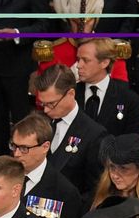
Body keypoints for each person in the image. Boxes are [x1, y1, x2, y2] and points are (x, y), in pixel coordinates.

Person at [0, 0, 53, 160]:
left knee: (20, 117)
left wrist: (17, 33)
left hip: (17, 64)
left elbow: (43, 25)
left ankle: (21, 161)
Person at [33, 64, 109, 196]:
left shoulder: (93, 134)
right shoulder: (37, 122)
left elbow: (94, 189)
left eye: (51, 104)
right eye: (42, 104)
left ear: (71, 94)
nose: (46, 110)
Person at [11, 112, 85, 218]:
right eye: (14, 146)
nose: (17, 154)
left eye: (24, 148)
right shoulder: (5, 177)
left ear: (45, 147)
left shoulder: (64, 192)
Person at [75, 38, 139, 138]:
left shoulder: (129, 99)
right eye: (78, 60)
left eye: (85, 60)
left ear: (104, 62)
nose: (78, 65)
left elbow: (133, 144)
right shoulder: (69, 93)